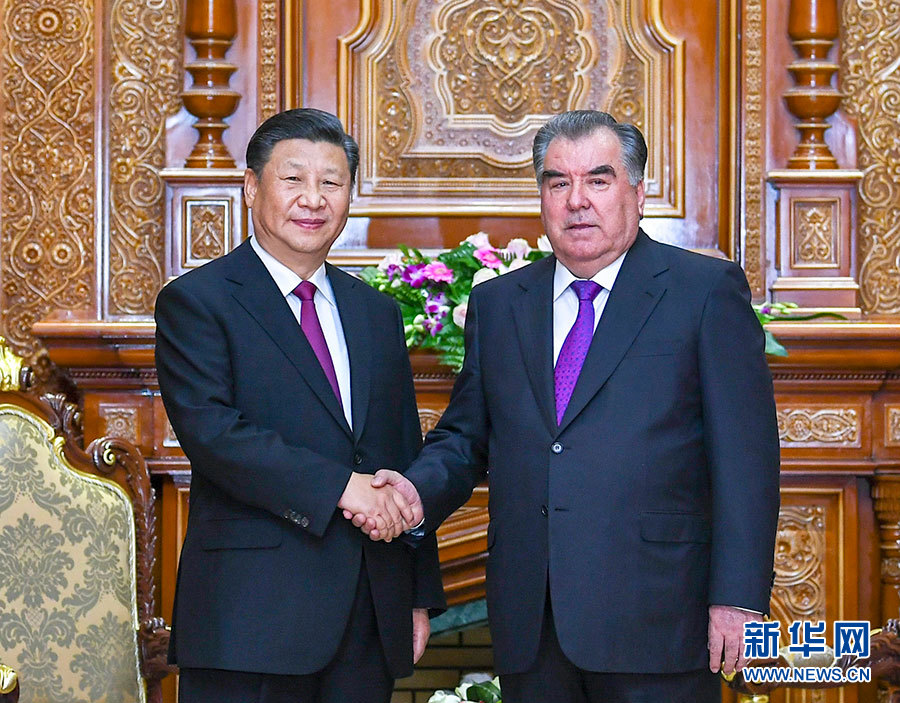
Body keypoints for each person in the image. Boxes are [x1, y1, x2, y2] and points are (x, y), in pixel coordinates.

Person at [360, 110, 780, 702]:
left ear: (637, 192)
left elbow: (746, 459)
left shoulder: (704, 292)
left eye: (598, 181)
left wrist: (737, 597)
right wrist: (412, 492)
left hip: (661, 619)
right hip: (532, 624)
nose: (577, 200)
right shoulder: (500, 303)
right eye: (559, 182)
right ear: (542, 197)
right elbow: (464, 438)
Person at [155, 108, 445, 703]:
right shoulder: (198, 302)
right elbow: (215, 436)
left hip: (368, 613)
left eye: (331, 182)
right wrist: (343, 488)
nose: (313, 199)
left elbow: (401, 453)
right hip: (249, 618)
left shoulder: (377, 313)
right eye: (293, 179)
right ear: (251, 186)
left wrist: (417, 593)